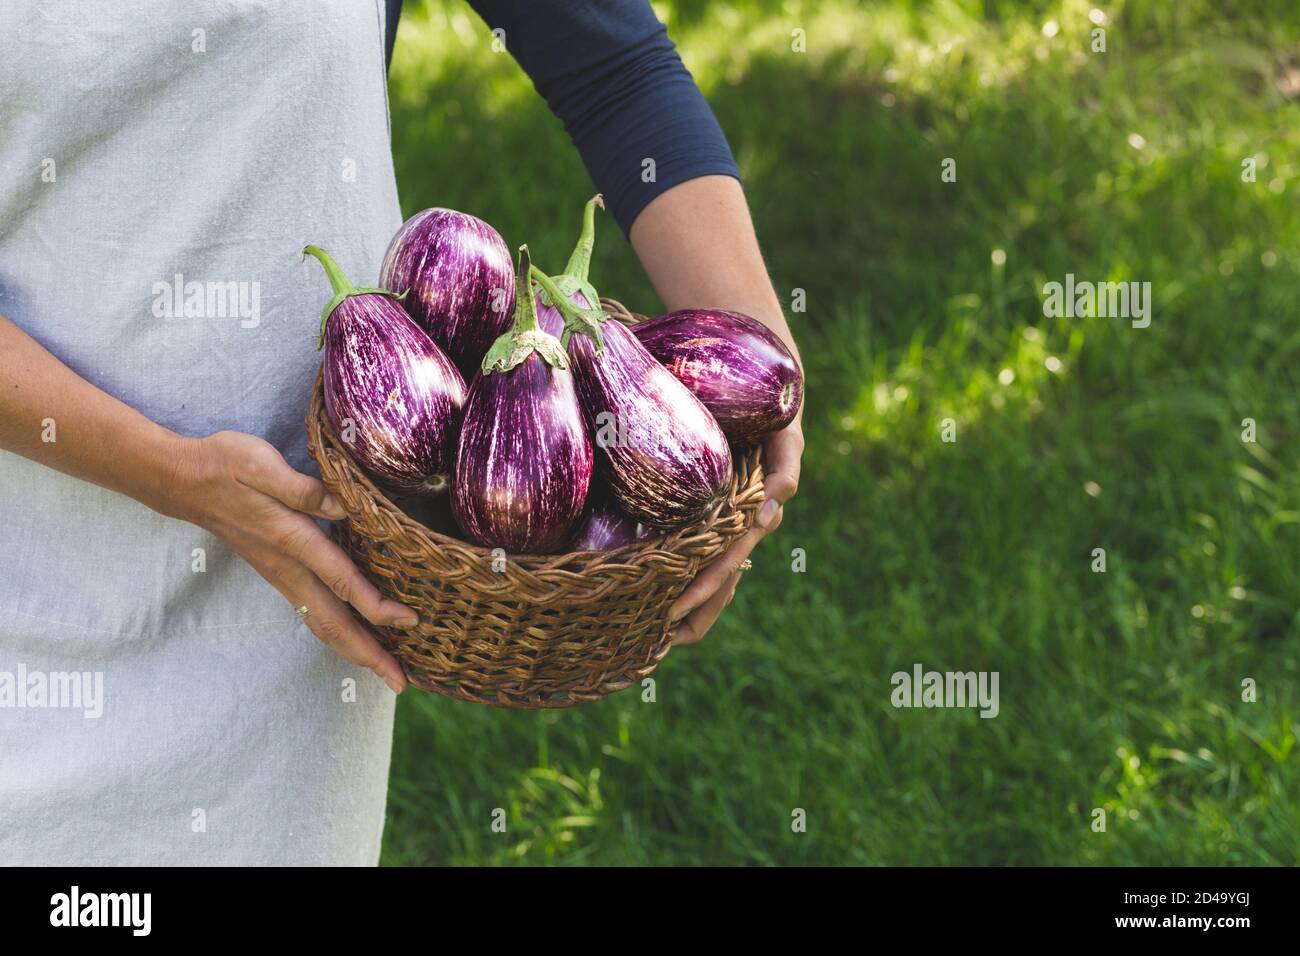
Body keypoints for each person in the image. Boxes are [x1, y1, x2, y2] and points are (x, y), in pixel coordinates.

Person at [0, 1, 803, 864]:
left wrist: (754, 359)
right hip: (36, 590)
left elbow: (615, 72)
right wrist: (171, 475)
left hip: (320, 577)